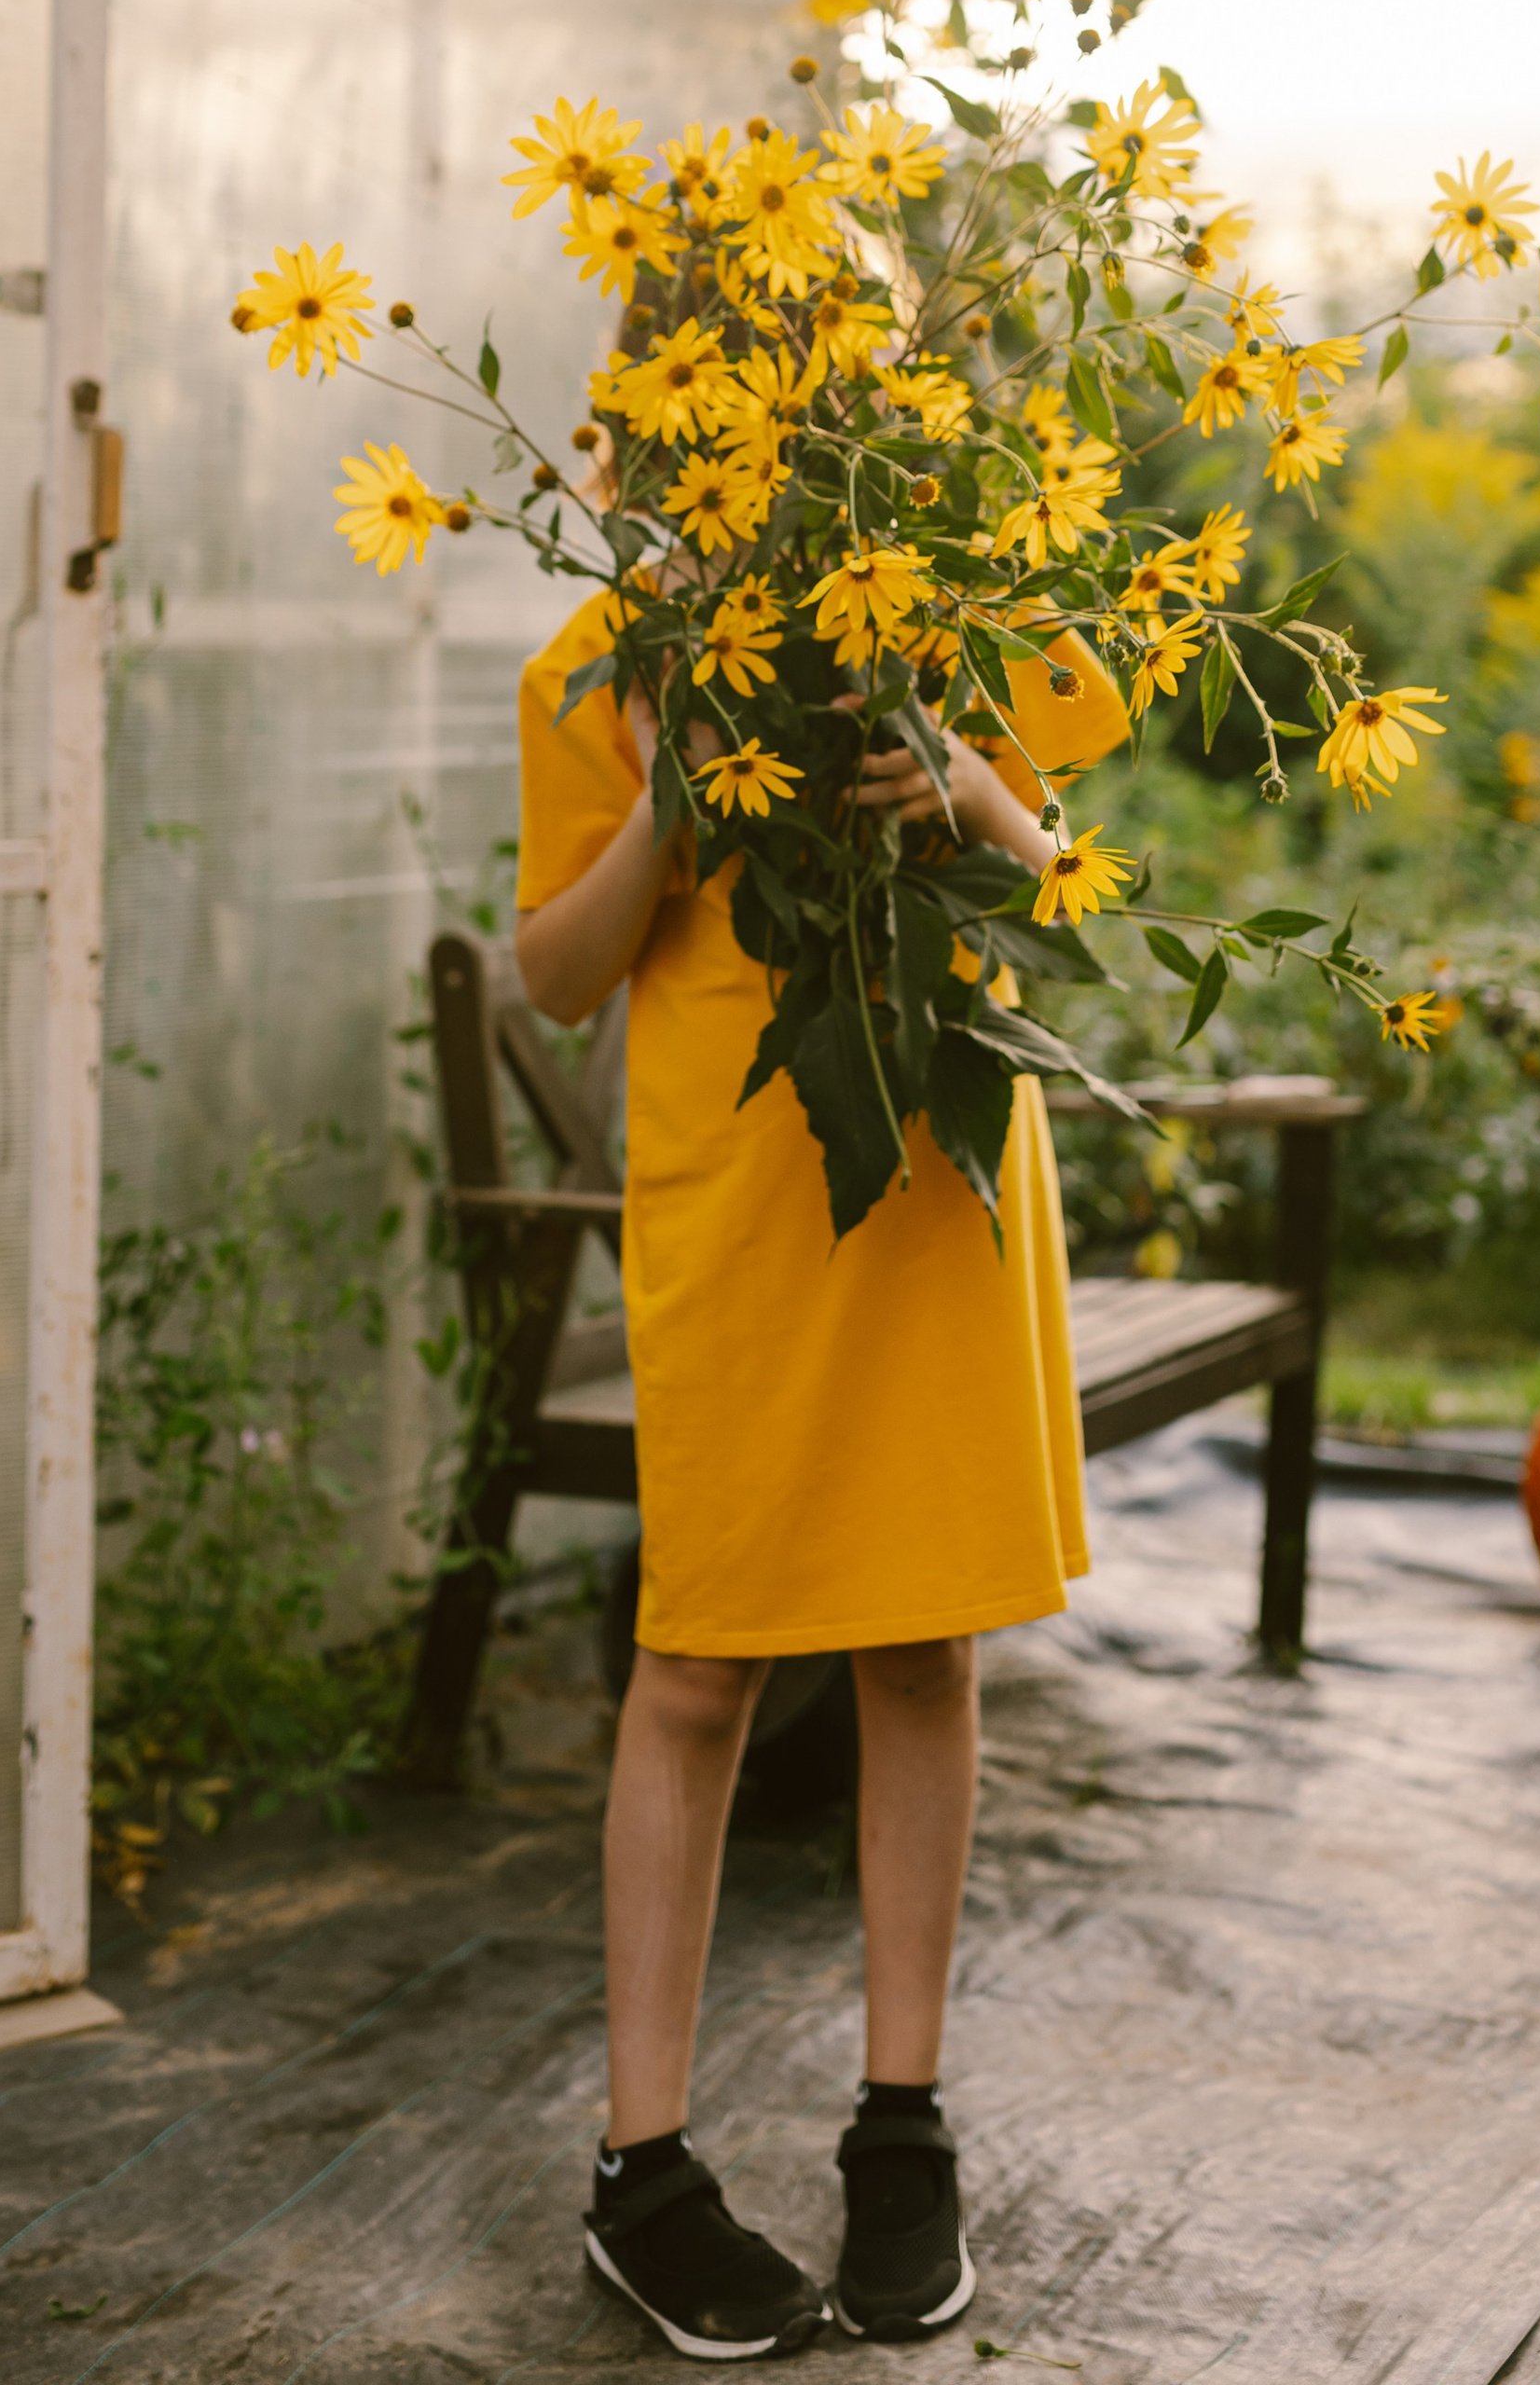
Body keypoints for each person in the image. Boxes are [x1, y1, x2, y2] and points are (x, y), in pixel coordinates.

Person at [512, 594, 1126, 2357]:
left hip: (936, 1161)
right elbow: (556, 975)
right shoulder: (589, 662)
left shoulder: (968, 584)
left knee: (925, 1643)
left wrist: (960, 784)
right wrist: (665, 813)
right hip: (734, 1188)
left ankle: (903, 2135)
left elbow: (1064, 885)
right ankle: (643, 2176)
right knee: (697, 1660)